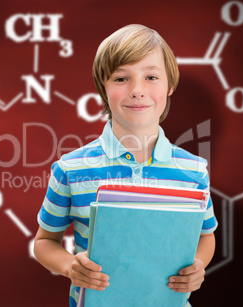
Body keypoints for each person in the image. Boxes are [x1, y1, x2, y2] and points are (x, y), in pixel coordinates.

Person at [33, 24, 218, 307]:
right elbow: (44, 242)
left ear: (169, 86)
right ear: (102, 88)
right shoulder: (70, 168)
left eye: (151, 77)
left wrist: (198, 265)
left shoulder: (194, 171)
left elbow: (206, 235)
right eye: (121, 79)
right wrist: (70, 266)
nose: (137, 90)